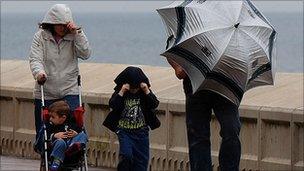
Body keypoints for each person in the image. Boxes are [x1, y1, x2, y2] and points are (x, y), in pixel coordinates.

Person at [28, 4, 91, 139]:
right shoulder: (40, 37)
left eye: (65, 25)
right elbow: (35, 59)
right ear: (51, 23)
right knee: (44, 128)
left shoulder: (74, 36)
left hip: (70, 89)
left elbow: (85, 54)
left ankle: (75, 151)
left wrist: (78, 34)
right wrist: (39, 73)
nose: (63, 28)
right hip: (47, 90)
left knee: (76, 122)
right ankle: (45, 153)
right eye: (59, 25)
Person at [167, 59, 241, 171]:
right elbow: (172, 48)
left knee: (232, 130)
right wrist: (179, 67)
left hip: (225, 85)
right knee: (198, 136)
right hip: (196, 85)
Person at [103, 66, 161, 171]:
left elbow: (154, 104)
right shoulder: (121, 92)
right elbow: (113, 105)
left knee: (141, 161)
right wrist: (122, 91)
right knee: (126, 155)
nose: (134, 90)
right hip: (124, 131)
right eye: (132, 88)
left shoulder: (144, 92)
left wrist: (146, 90)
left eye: (136, 88)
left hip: (141, 131)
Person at [35, 100, 88, 171]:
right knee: (60, 142)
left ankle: (73, 147)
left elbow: (79, 130)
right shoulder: (50, 125)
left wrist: (76, 133)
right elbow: (44, 138)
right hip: (57, 147)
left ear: (63, 117)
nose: (50, 119)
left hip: (71, 147)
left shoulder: (72, 123)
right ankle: (56, 162)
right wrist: (54, 135)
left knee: (83, 135)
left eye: (53, 117)